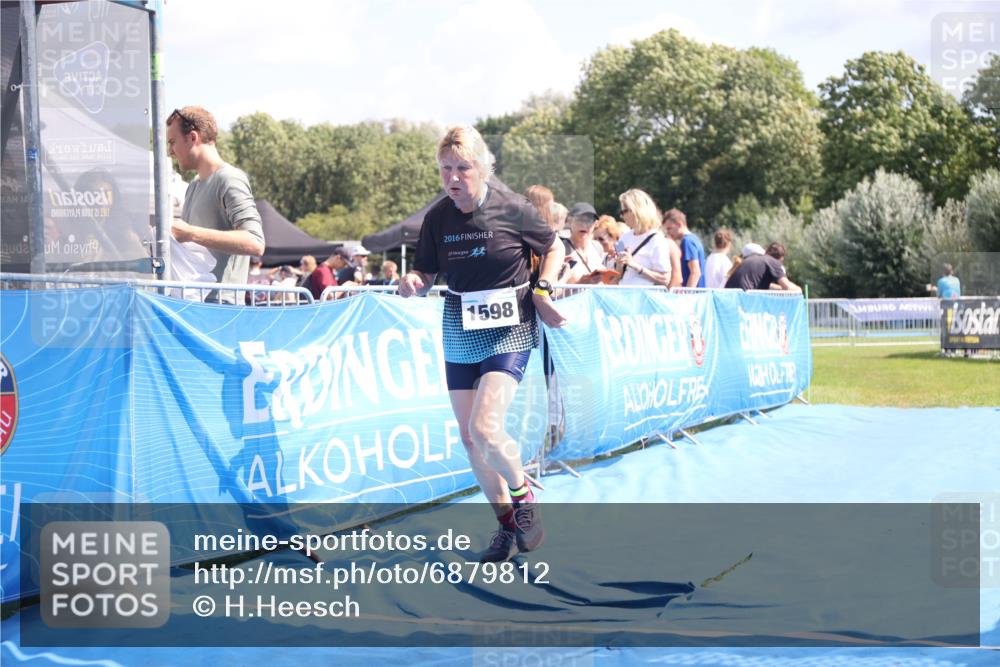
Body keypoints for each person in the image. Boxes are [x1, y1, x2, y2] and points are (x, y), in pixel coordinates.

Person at [398, 125, 566, 563]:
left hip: (510, 323)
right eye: (446, 169)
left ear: (483, 167)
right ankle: (506, 527)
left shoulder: (513, 207)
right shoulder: (438, 217)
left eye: (462, 168)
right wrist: (415, 281)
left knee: (484, 427)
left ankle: (524, 495)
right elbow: (426, 272)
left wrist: (544, 289)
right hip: (459, 324)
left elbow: (555, 249)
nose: (453, 178)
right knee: (470, 440)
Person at [167, 106, 265, 303]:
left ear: (193, 137)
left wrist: (190, 233)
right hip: (196, 305)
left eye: (172, 142)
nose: (170, 151)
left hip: (221, 309)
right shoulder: (194, 186)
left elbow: (255, 242)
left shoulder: (229, 179)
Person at [615, 189, 675, 287]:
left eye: (624, 211)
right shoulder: (623, 238)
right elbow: (617, 277)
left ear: (637, 210)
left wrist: (634, 265)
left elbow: (665, 279)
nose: (621, 216)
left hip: (646, 298)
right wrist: (619, 264)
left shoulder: (657, 239)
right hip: (624, 296)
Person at [559, 203, 608, 285]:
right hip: (570, 297)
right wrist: (580, 283)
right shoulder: (561, 248)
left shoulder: (598, 247)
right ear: (569, 221)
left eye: (589, 220)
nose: (584, 225)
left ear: (595, 224)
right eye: (579, 219)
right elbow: (553, 290)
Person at [725, 241, 801, 292]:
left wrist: (780, 288)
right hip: (743, 298)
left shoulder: (754, 257)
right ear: (780, 259)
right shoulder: (773, 262)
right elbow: (788, 287)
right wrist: (799, 290)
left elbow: (756, 282)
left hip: (729, 295)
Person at [663, 208, 705, 288]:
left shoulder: (687, 241)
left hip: (694, 296)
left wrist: (687, 295)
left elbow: (695, 272)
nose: (668, 232)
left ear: (679, 224)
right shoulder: (694, 239)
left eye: (669, 228)